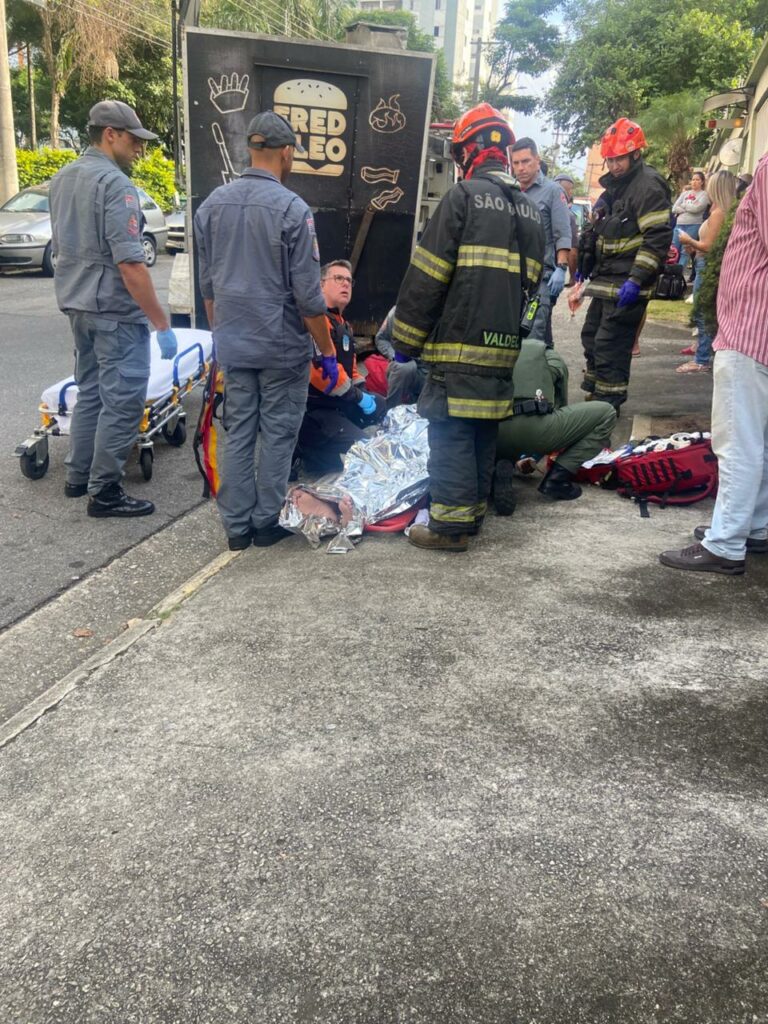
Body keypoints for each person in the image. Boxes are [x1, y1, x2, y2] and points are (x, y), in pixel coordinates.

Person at [392, 102, 545, 552]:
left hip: (458, 347)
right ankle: (473, 512)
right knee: (482, 427)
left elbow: (427, 277)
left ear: (470, 152)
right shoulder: (531, 212)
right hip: (504, 348)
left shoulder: (462, 199)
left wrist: (405, 339)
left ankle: (450, 527)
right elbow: (532, 289)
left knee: (451, 426)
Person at [193, 110, 339, 551]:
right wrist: (328, 351)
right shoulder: (293, 210)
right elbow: (309, 298)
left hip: (234, 345)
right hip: (281, 349)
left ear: (251, 150)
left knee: (238, 432)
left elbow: (208, 289)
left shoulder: (210, 206)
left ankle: (236, 528)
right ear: (287, 153)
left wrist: (225, 336)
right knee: (276, 434)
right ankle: (264, 522)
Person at [48, 100, 178, 518]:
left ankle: (77, 476)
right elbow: (130, 264)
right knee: (122, 401)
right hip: (114, 311)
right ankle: (104, 492)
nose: (140, 148)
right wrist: (161, 323)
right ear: (110, 134)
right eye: (135, 139)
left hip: (76, 304)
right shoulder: (116, 186)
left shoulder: (62, 178)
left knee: (91, 392)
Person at [660, 152, 768, 576]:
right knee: (757, 439)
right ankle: (753, 527)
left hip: (749, 328)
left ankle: (725, 544)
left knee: (737, 441)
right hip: (756, 330)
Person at [577, 117, 671, 413]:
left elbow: (656, 237)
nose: (614, 165)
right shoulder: (615, 188)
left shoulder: (648, 186)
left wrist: (637, 278)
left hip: (628, 284)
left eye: (619, 159)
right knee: (591, 337)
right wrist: (585, 262)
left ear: (635, 154)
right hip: (606, 281)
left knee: (610, 345)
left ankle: (607, 406)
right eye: (609, 159)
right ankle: (595, 399)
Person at [493, 339, 617, 512]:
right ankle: (557, 479)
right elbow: (559, 407)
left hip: (490, 433)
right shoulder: (547, 355)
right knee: (606, 413)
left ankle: (496, 467)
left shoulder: (490, 347)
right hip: (536, 431)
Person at [296, 260, 385, 472]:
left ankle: (336, 442)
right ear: (320, 284)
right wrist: (357, 397)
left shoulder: (344, 326)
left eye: (348, 280)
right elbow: (320, 375)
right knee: (366, 452)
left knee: (380, 405)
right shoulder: (315, 322)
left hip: (338, 405)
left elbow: (352, 368)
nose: (345, 284)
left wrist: (364, 392)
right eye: (338, 278)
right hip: (315, 410)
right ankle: (305, 450)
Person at [510, 138, 572, 348]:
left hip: (542, 279)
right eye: (516, 163)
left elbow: (562, 232)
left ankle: (533, 377)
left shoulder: (553, 192)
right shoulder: (510, 191)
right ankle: (547, 376)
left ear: (537, 160)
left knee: (532, 337)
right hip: (513, 276)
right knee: (529, 337)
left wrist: (561, 268)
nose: (521, 168)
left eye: (526, 161)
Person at [676, 170, 738, 374]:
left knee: (703, 312)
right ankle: (703, 351)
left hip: (707, 265)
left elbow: (709, 246)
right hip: (705, 263)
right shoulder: (720, 210)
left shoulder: (719, 213)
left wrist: (688, 240)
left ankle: (702, 358)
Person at [374, 305, 427, 408]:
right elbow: (381, 339)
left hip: (433, 375)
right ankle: (391, 411)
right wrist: (395, 355)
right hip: (410, 369)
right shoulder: (399, 311)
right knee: (405, 367)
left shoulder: (445, 311)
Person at [671, 171, 710, 271]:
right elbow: (674, 208)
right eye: (693, 179)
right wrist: (688, 208)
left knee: (685, 251)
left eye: (697, 180)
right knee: (673, 249)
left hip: (693, 225)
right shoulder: (685, 194)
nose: (694, 182)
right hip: (679, 224)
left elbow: (697, 209)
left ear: (702, 182)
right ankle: (670, 271)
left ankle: (678, 273)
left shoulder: (704, 195)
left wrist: (683, 206)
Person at [553, 172, 579, 279]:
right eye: (570, 190)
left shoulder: (537, 206)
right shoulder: (569, 216)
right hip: (553, 272)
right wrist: (573, 277)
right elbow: (572, 253)